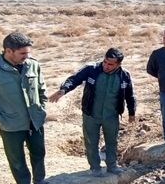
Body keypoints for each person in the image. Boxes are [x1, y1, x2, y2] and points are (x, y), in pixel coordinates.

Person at [0, 32, 48, 184]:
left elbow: (42, 89)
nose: (27, 57)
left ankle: (40, 180)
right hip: (10, 124)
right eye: (22, 53)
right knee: (16, 157)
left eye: (28, 53)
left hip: (35, 119)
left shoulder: (33, 64)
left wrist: (41, 108)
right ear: (8, 51)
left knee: (39, 151)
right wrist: (1, 120)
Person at [49, 48, 136, 176]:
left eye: (110, 64)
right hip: (91, 114)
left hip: (112, 116)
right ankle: (95, 167)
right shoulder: (92, 69)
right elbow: (74, 79)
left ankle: (112, 166)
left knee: (112, 142)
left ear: (118, 64)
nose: (106, 65)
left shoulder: (124, 76)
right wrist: (63, 90)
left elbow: (130, 95)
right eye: (105, 62)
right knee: (91, 141)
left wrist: (132, 113)